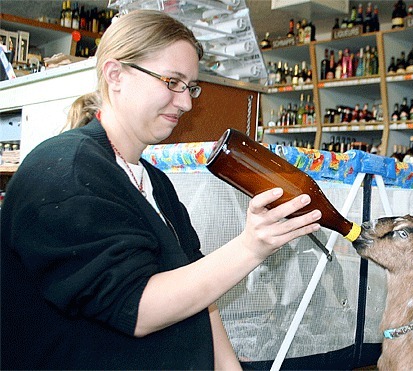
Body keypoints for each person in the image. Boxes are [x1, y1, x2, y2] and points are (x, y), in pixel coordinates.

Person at [0, 10, 322, 370]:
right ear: (115, 75)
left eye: (191, 87)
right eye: (172, 82)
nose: (186, 103)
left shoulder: (156, 182)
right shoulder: (66, 172)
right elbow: (135, 307)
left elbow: (201, 292)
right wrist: (251, 246)